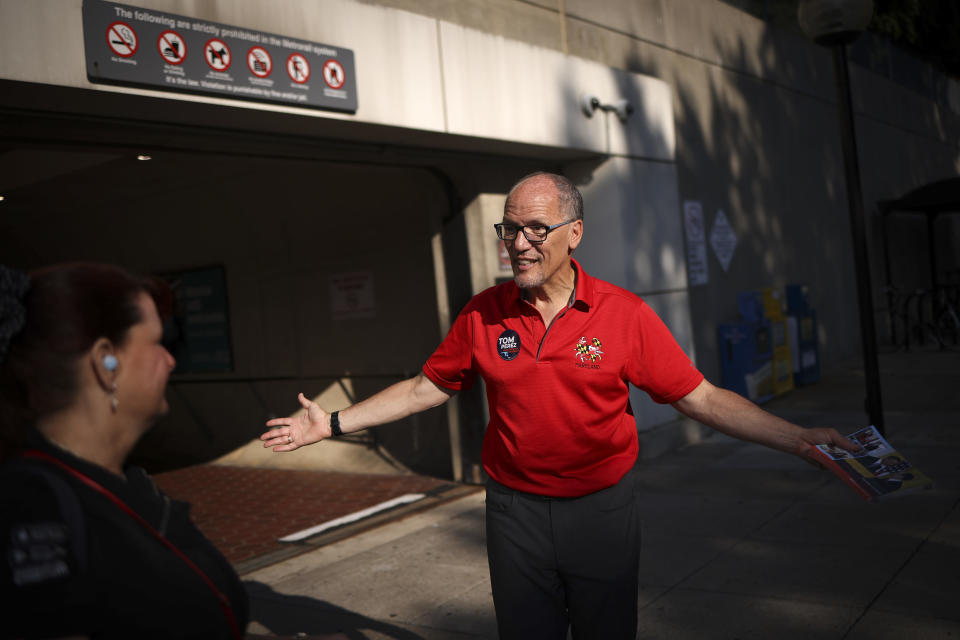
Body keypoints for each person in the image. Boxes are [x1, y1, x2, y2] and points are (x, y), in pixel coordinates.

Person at [260, 172, 860, 640]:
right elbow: (427, 387)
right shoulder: (482, 312)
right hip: (513, 513)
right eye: (509, 229)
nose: (518, 245)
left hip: (601, 511)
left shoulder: (624, 315)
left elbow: (699, 397)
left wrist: (798, 438)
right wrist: (333, 422)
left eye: (535, 230)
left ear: (574, 233)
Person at [0, 263, 248, 639]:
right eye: (157, 341)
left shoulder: (129, 487)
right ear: (106, 363)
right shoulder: (31, 504)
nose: (170, 360)